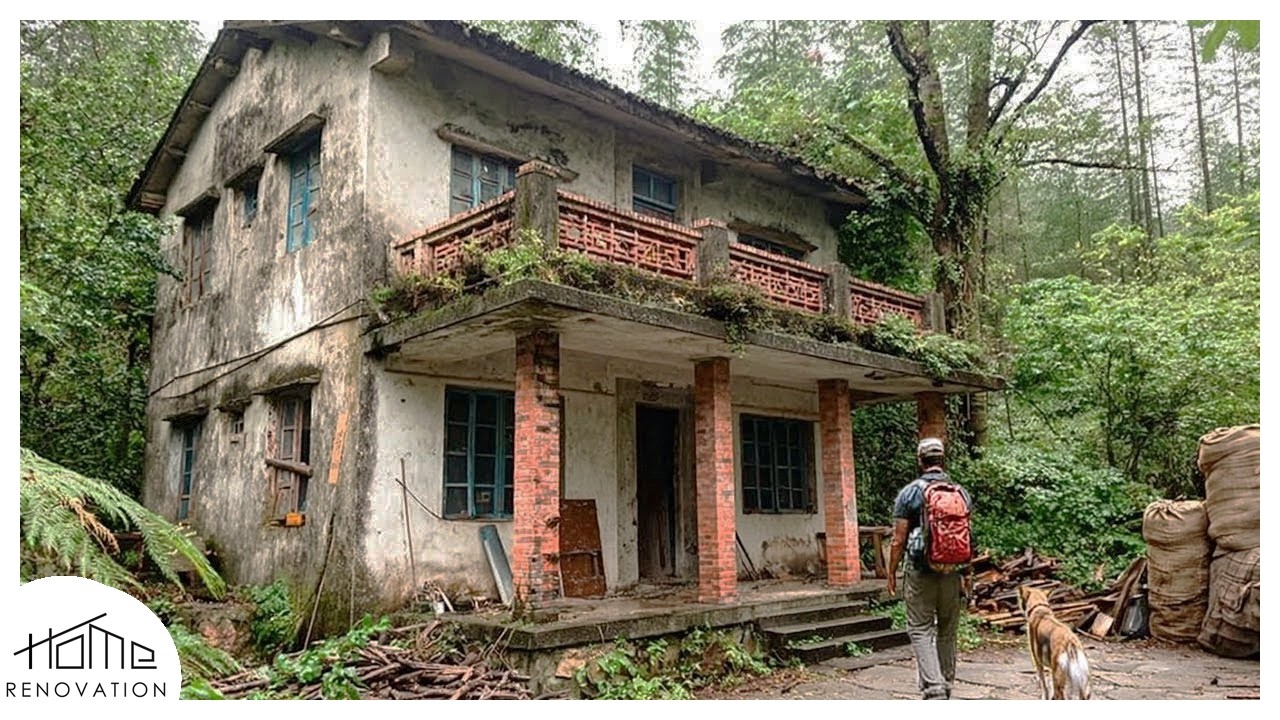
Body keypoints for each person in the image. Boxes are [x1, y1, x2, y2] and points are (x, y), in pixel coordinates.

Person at [886, 437, 972, 700]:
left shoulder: (910, 493)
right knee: (947, 630)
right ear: (942, 459)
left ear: (920, 460)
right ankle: (945, 684)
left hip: (920, 571)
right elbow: (967, 536)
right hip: (952, 571)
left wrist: (891, 571)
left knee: (920, 628)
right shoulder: (961, 493)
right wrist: (967, 575)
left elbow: (898, 539)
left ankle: (933, 689)